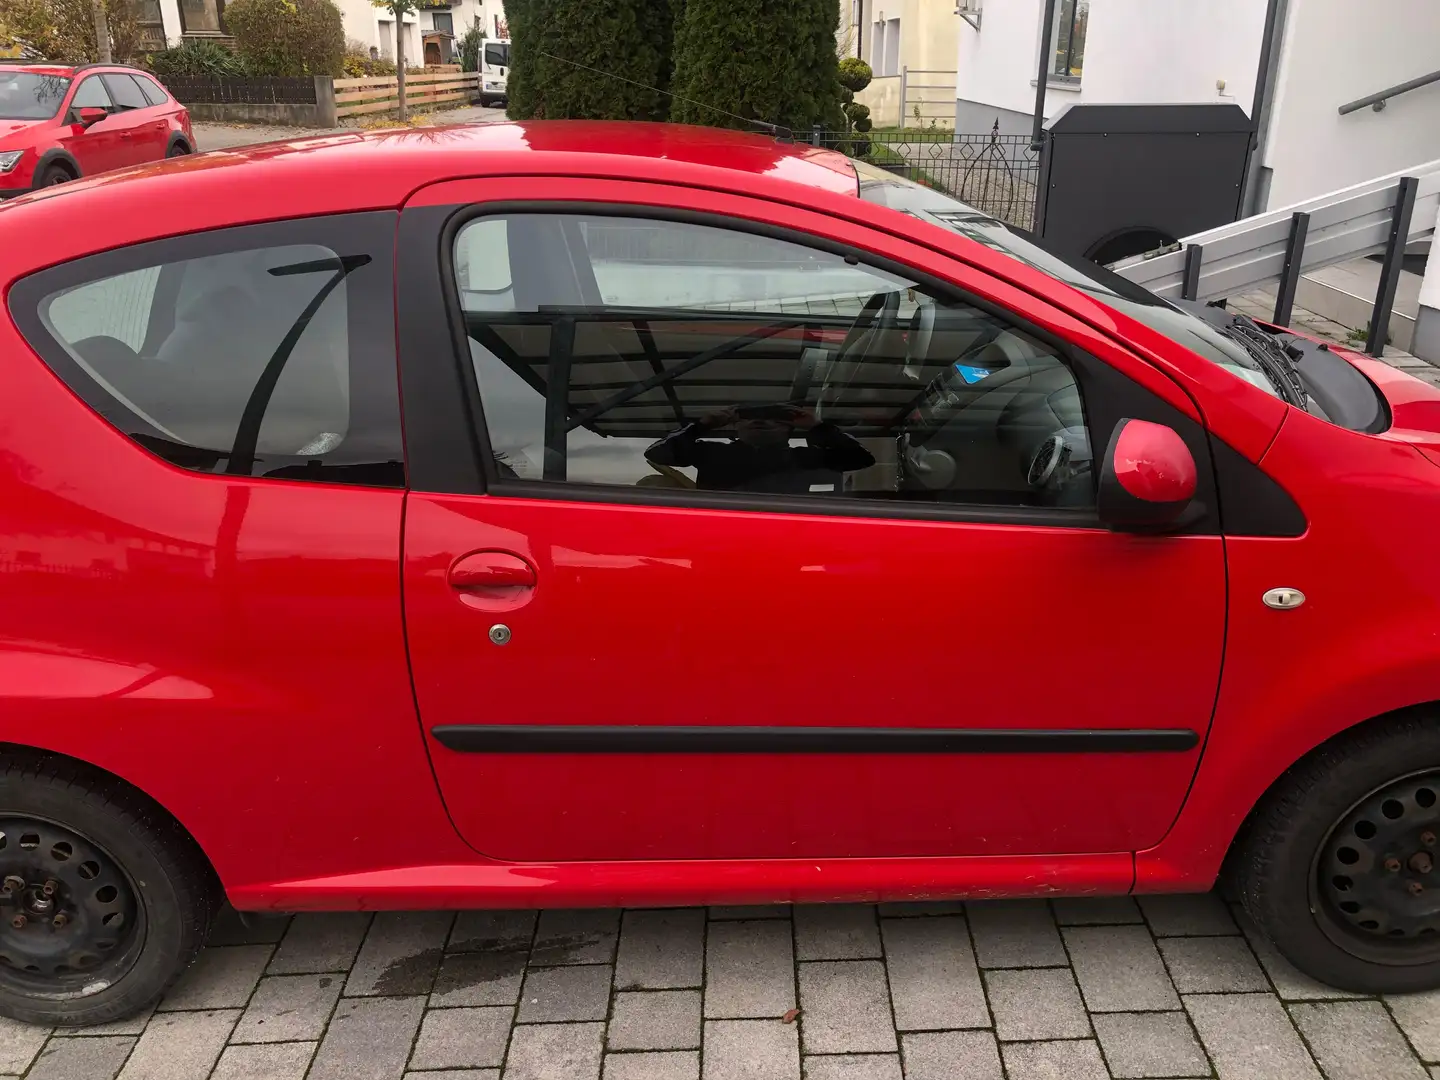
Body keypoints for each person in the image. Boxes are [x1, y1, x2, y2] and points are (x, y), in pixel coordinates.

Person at [645, 404, 875, 494]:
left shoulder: (805, 457)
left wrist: (818, 427)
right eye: (749, 416)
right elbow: (656, 454)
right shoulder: (711, 452)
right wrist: (702, 426)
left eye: (774, 418)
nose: (760, 420)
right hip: (717, 537)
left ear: (789, 429)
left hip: (784, 539)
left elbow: (862, 459)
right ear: (735, 426)